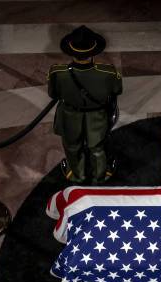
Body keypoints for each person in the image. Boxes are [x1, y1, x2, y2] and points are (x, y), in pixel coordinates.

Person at [47, 25, 123, 185]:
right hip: (97, 115)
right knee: (97, 147)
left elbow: (53, 94)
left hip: (69, 114)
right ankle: (100, 176)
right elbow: (117, 89)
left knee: (72, 146)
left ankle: (77, 175)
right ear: (93, 51)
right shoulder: (108, 72)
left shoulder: (57, 72)